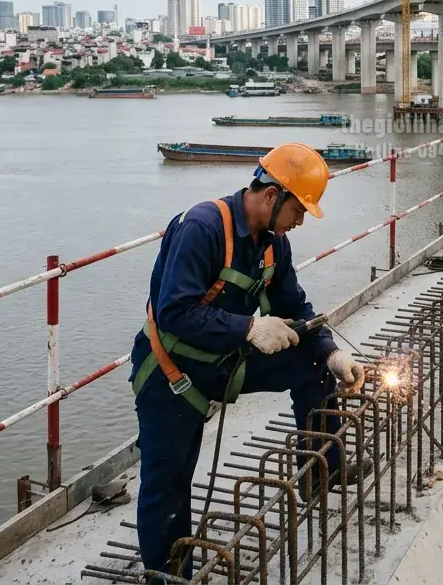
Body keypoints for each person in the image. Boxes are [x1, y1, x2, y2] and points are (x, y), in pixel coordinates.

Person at [129, 144, 367, 580]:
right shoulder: (202, 228)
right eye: (298, 210)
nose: (300, 221)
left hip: (225, 361)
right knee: (170, 480)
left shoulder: (275, 244)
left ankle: (321, 469)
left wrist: (330, 352)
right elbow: (174, 312)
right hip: (172, 373)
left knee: (311, 364)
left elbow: (294, 305)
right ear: (273, 195)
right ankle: (168, 574)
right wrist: (250, 329)